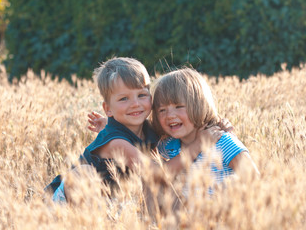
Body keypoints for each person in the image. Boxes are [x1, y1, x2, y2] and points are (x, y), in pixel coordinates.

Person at [45, 57, 219, 203]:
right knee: (84, 174)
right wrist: (195, 147)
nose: (135, 103)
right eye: (123, 99)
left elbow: (184, 128)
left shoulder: (150, 128)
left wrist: (219, 126)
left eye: (142, 95)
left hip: (112, 202)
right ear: (108, 109)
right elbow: (156, 174)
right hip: (68, 200)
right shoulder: (116, 143)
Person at [151, 68, 260, 193]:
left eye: (179, 106)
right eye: (162, 110)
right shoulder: (167, 146)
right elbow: (154, 176)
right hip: (184, 211)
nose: (169, 115)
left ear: (199, 105)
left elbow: (253, 179)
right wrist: (197, 146)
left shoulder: (222, 141)